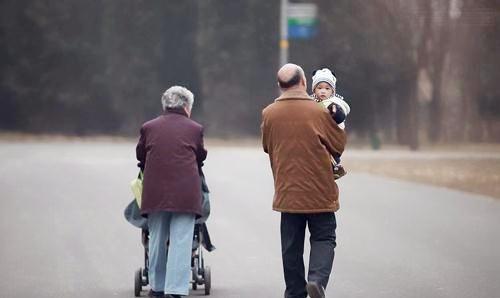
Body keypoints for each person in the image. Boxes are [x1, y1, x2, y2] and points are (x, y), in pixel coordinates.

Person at [261, 64, 347, 298]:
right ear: (304, 83)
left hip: (288, 192)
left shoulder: (269, 113)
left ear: (280, 86)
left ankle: (294, 293)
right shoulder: (320, 112)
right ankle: (317, 281)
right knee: (324, 237)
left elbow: (267, 146)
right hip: (320, 191)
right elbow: (338, 145)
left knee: (291, 247)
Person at [136, 86, 207, 298]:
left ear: (165, 105)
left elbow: (140, 155)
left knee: (157, 239)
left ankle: (157, 288)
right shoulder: (195, 129)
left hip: (155, 193)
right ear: (186, 107)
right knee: (181, 241)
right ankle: (175, 291)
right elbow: (200, 156)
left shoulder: (148, 127)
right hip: (186, 193)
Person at [311, 67, 351, 179]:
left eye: (327, 88)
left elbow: (341, 116)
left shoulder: (334, 103)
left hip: (331, 132)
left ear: (332, 91)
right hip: (317, 131)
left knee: (329, 149)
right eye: (319, 88)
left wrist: (335, 112)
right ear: (314, 90)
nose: (323, 91)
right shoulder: (310, 102)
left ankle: (335, 166)